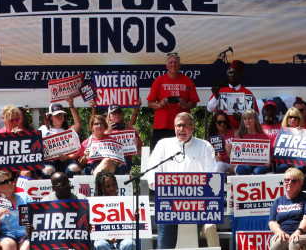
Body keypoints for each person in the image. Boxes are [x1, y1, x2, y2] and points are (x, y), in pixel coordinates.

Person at [147, 112, 219, 249]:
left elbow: (212, 176)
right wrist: (156, 185)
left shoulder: (205, 146)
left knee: (190, 245)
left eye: (185, 125)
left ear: (192, 128)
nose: (181, 129)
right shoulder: (163, 144)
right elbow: (152, 171)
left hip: (196, 204)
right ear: (174, 128)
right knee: (164, 246)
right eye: (178, 125)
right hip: (168, 204)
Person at [147, 52, 200, 150]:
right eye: (170, 62)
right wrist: (160, 104)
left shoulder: (187, 80)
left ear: (180, 65)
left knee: (183, 152)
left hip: (182, 125)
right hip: (162, 125)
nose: (173, 64)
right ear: (166, 65)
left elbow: (194, 103)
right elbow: (150, 103)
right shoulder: (159, 80)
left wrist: (185, 105)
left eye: (175, 62)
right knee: (161, 153)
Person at [269, 168, 306, 250]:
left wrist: (299, 231)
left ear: (300, 183)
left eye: (293, 181)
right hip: (284, 233)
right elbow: (272, 222)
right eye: (287, 180)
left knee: (295, 243)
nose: (289, 183)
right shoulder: (278, 201)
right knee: (279, 243)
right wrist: (279, 231)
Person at [0, 170, 33, 250]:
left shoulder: (25, 197)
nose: (10, 183)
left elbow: (36, 215)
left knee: (26, 247)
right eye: (5, 182)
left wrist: (32, 228)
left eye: (11, 180)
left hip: (26, 235)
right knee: (7, 245)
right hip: (7, 236)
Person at [207, 60, 259, 129]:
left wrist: (244, 117)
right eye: (230, 72)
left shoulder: (247, 93)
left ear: (241, 75)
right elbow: (210, 109)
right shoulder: (220, 91)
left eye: (235, 73)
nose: (232, 75)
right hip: (223, 132)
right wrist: (216, 97)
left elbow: (256, 114)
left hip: (242, 132)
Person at [38, 98, 81, 178]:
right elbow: (36, 149)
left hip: (67, 160)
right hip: (49, 161)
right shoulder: (43, 130)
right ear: (51, 117)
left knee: (74, 169)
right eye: (57, 115)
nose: (60, 117)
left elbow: (77, 152)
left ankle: (71, 189)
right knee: (48, 170)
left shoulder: (70, 131)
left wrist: (67, 157)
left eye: (61, 114)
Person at [93, 170, 135, 250]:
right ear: (101, 187)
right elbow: (94, 228)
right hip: (102, 238)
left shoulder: (125, 202)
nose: (112, 188)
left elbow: (129, 225)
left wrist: (119, 236)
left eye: (114, 185)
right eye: (108, 186)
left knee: (130, 244)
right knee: (100, 245)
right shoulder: (95, 204)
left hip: (123, 238)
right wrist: (106, 237)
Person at [105, 104, 142, 174]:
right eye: (114, 113)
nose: (117, 115)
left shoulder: (131, 130)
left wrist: (136, 146)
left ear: (122, 115)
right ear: (109, 116)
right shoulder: (103, 130)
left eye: (119, 113)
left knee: (121, 164)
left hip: (124, 159)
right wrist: (107, 132)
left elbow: (139, 153)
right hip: (108, 160)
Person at [232, 109, 271, 175]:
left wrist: (269, 161)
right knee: (243, 170)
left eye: (249, 118)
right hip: (244, 165)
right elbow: (235, 158)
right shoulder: (239, 137)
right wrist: (229, 152)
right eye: (245, 119)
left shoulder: (264, 136)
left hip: (260, 164)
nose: (247, 121)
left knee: (258, 171)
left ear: (255, 119)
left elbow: (269, 155)